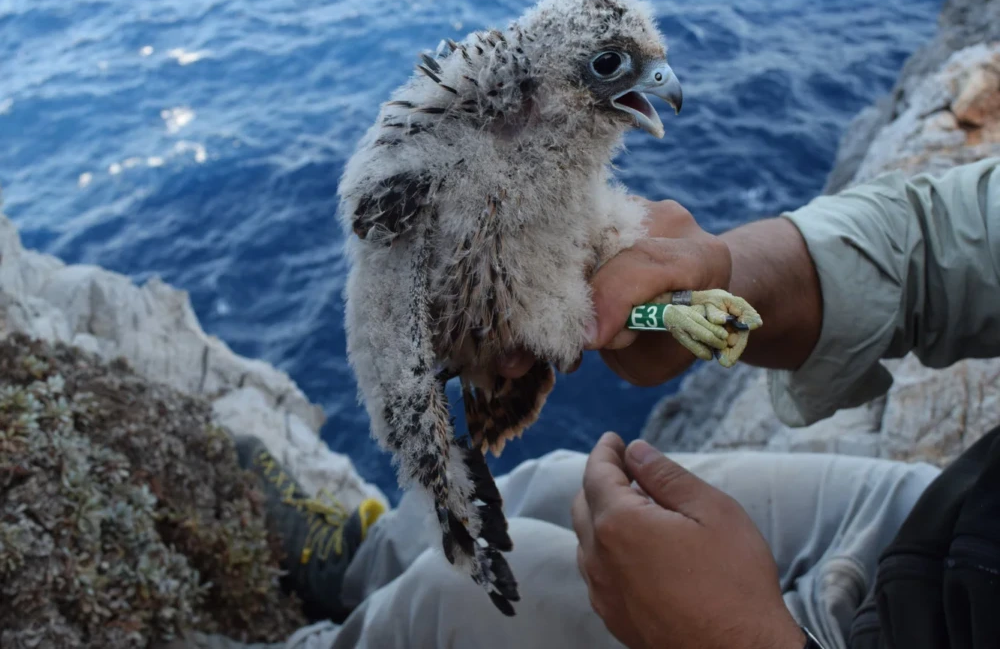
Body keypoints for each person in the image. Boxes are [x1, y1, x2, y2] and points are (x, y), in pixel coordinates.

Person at [178, 157, 999, 649]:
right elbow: (939, 239)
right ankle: (361, 568)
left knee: (458, 601)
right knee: (555, 489)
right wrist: (713, 274)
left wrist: (735, 638)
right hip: (943, 526)